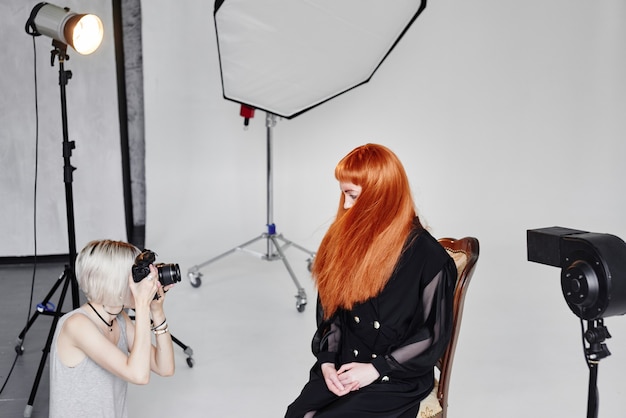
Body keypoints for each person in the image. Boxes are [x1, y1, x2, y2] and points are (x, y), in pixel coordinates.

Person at [285, 143, 457, 418]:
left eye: (353, 196)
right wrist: (328, 363)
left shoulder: (427, 256)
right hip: (343, 365)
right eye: (344, 195)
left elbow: (433, 335)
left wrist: (377, 369)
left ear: (382, 197)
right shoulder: (342, 242)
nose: (347, 205)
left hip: (396, 376)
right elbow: (333, 315)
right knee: (298, 414)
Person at [49, 239, 176, 418]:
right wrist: (141, 305)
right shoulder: (77, 325)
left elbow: (165, 368)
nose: (143, 281)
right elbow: (139, 375)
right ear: (114, 282)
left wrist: (156, 310)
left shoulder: (119, 319)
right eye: (136, 276)